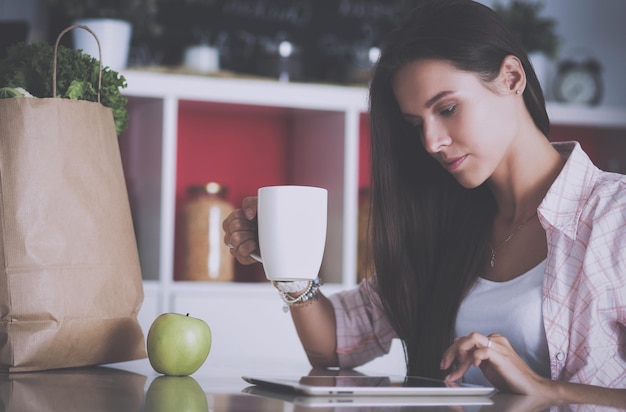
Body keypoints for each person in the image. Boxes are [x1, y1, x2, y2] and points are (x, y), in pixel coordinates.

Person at [223, 0, 626, 405]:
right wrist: (286, 260)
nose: (432, 142)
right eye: (417, 125)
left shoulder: (615, 217)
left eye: (447, 109)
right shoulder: (443, 223)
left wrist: (546, 390)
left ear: (511, 77)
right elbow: (335, 346)